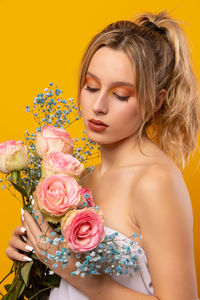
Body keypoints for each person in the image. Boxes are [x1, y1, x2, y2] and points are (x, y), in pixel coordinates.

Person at [6, 10, 199, 300]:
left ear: (157, 101)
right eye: (91, 86)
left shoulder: (155, 182)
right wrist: (32, 253)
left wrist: (85, 279)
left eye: (121, 95)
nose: (97, 105)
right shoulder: (78, 178)